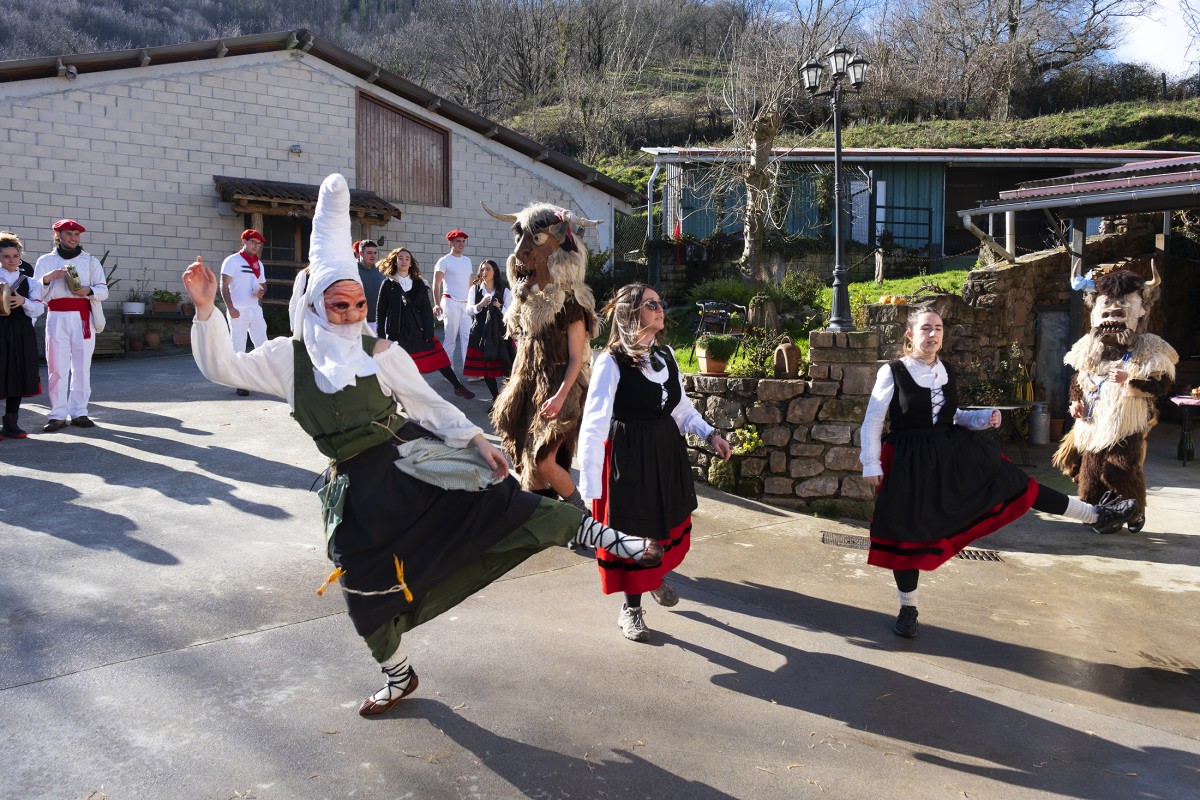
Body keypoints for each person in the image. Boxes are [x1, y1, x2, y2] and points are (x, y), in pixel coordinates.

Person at [183, 174, 663, 716]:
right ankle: (398, 675)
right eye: (339, 306)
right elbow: (222, 366)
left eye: (358, 305)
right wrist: (205, 310)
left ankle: (614, 540)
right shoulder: (285, 360)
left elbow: (428, 405)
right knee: (362, 589)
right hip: (355, 493)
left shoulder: (380, 351)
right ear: (315, 304)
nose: (351, 316)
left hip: (409, 464)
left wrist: (476, 439)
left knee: (503, 504)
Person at [860, 307, 1140, 639]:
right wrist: (871, 463)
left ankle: (1096, 515)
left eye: (938, 328)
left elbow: (953, 415)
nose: (933, 334)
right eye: (925, 328)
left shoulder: (946, 370)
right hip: (909, 460)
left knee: (1018, 485)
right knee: (907, 534)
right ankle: (908, 610)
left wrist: (984, 418)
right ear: (910, 335)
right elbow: (873, 420)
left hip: (951, 452)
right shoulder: (893, 371)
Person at [579, 283, 732, 642]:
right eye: (651, 304)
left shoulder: (666, 355)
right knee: (635, 530)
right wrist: (589, 489)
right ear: (631, 313)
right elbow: (594, 423)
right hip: (630, 455)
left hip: (664, 452)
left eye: (660, 302)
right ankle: (630, 610)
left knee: (662, 524)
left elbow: (681, 408)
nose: (660, 308)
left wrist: (710, 434)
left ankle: (653, 577)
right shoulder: (611, 362)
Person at [484, 202, 599, 514]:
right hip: (528, 385)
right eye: (520, 238)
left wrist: (561, 397)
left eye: (535, 239)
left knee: (543, 458)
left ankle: (581, 515)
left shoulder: (572, 305)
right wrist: (515, 385)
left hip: (562, 386)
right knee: (527, 463)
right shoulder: (528, 302)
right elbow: (524, 346)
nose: (520, 251)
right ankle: (542, 517)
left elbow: (576, 358)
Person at [34, 218, 108, 431]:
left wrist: (88, 290)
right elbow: (35, 292)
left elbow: (103, 290)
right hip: (56, 316)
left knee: (82, 367)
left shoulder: (90, 261)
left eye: (76, 235)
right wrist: (47, 279)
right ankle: (57, 414)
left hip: (83, 318)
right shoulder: (46, 261)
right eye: (68, 234)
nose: (73, 238)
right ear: (58, 236)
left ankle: (79, 412)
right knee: (56, 367)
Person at [376, 247, 475, 398]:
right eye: (400, 258)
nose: (404, 261)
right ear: (395, 261)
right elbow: (381, 312)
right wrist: (381, 336)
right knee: (400, 367)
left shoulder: (419, 283)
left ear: (411, 263)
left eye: (407, 258)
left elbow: (427, 310)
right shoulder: (388, 284)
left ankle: (458, 386)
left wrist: (429, 331)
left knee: (439, 359)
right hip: (397, 332)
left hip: (419, 329)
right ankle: (403, 398)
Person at [0, 231, 44, 439]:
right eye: (6, 256)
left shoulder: (30, 282)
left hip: (21, 332)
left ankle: (11, 423)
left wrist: (23, 301)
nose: (12, 260)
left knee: (16, 374)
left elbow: (39, 309)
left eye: (15, 256)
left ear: (20, 256)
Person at [220, 229, 268, 396]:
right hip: (238, 309)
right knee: (238, 346)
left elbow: (263, 285)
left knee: (263, 344)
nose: (256, 246)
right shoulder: (232, 260)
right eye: (253, 242)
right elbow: (224, 285)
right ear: (244, 242)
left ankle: (263, 379)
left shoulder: (258, 264)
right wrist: (230, 307)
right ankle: (240, 382)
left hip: (254, 308)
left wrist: (261, 291)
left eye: (258, 243)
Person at [463, 259, 513, 407]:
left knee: (507, 367)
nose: (484, 272)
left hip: (499, 333)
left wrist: (499, 306)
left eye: (488, 269)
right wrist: (480, 305)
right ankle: (496, 399)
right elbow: (469, 310)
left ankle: (508, 400)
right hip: (480, 334)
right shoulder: (475, 289)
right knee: (486, 370)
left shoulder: (504, 290)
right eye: (482, 269)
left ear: (494, 271)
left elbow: (510, 313)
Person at [432, 229, 473, 372]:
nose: (461, 244)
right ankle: (448, 371)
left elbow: (470, 283)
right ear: (450, 243)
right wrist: (437, 304)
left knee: (468, 338)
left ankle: (470, 370)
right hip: (450, 303)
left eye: (463, 241)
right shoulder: (444, 261)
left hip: (466, 304)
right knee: (450, 339)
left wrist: (473, 303)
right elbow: (436, 284)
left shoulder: (467, 261)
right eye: (458, 241)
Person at [355, 239, 384, 336]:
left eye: (375, 253)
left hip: (378, 322)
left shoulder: (380, 271)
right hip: (359, 323)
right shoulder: (353, 271)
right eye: (369, 253)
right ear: (360, 253)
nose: (373, 256)